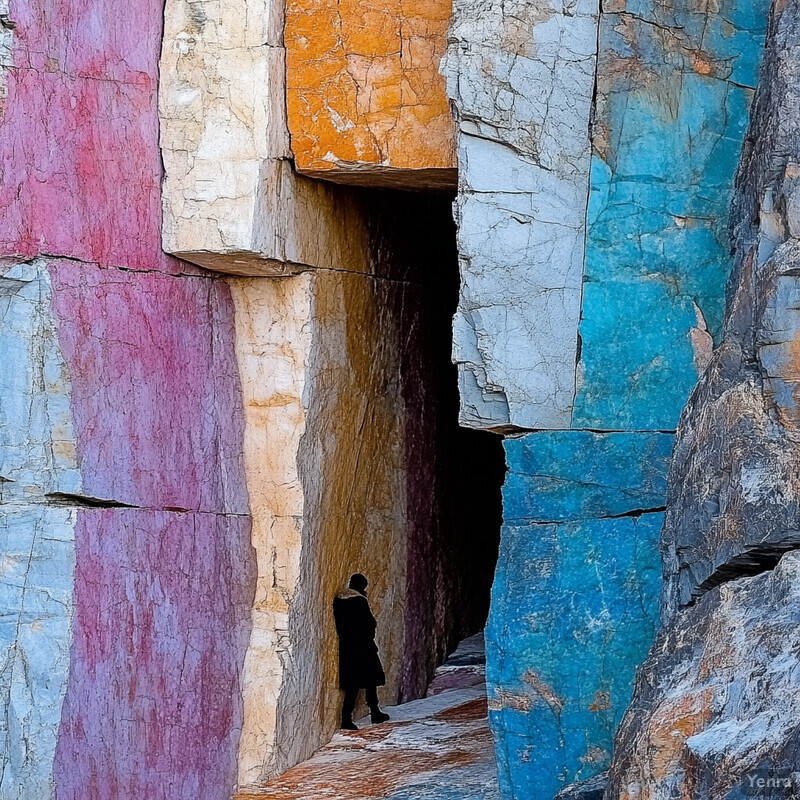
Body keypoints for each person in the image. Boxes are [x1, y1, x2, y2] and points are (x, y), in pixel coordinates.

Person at [332, 573, 391, 730]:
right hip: (364, 647)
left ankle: (347, 718)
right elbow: (369, 623)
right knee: (370, 680)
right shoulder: (360, 600)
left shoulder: (339, 600)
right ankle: (374, 712)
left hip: (347, 647)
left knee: (353, 683)